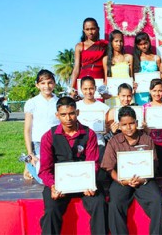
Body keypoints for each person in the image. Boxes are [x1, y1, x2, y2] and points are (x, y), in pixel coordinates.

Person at [38, 96, 107, 234]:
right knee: (51, 210)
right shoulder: (48, 136)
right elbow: (44, 169)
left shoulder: (89, 134)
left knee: (100, 204)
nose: (68, 118)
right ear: (57, 115)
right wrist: (52, 185)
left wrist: (89, 183)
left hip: (84, 181)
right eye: (63, 115)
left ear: (77, 113)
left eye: (71, 113)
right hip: (59, 184)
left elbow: (93, 163)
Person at [101, 106, 162, 235]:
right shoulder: (113, 141)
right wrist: (122, 181)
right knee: (114, 204)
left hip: (144, 179)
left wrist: (144, 179)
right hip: (122, 180)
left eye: (131, 123)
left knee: (157, 200)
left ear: (136, 123)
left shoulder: (147, 139)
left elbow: (153, 164)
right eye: (124, 124)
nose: (129, 127)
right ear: (119, 125)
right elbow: (109, 168)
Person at [76, 76, 112, 192]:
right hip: (80, 144)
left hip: (98, 143)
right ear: (81, 89)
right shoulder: (76, 106)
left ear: (95, 88)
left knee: (100, 175)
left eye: (91, 88)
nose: (88, 92)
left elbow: (107, 129)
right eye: (85, 89)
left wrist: (107, 129)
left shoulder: (104, 107)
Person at [23, 69, 60, 183]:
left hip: (56, 143)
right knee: (43, 180)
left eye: (49, 82)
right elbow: (27, 130)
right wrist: (30, 153)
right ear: (37, 85)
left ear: (54, 83)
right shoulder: (32, 103)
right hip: (39, 143)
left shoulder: (59, 102)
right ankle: (29, 164)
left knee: (58, 176)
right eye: (43, 83)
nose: (47, 86)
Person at [143, 79, 162, 178]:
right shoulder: (144, 108)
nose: (157, 93)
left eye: (160, 90)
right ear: (150, 91)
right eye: (154, 90)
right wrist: (145, 128)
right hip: (150, 143)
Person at [70, 17, 108, 95]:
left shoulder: (105, 45)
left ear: (98, 29)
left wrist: (106, 83)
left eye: (93, 29)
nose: (90, 32)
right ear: (84, 31)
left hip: (99, 79)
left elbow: (106, 67)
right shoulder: (79, 46)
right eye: (87, 29)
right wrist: (72, 87)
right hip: (83, 80)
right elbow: (76, 68)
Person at [102, 29, 134, 107]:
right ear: (111, 43)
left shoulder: (129, 57)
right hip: (112, 97)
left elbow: (132, 77)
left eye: (121, 41)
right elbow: (106, 79)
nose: (119, 44)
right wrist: (104, 92)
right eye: (116, 41)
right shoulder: (106, 59)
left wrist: (134, 85)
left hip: (127, 96)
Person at [132, 32, 162, 106]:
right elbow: (131, 76)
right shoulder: (135, 59)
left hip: (155, 93)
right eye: (140, 44)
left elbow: (161, 76)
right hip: (140, 94)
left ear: (149, 42)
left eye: (145, 43)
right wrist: (133, 84)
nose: (144, 46)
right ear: (137, 45)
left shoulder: (156, 58)